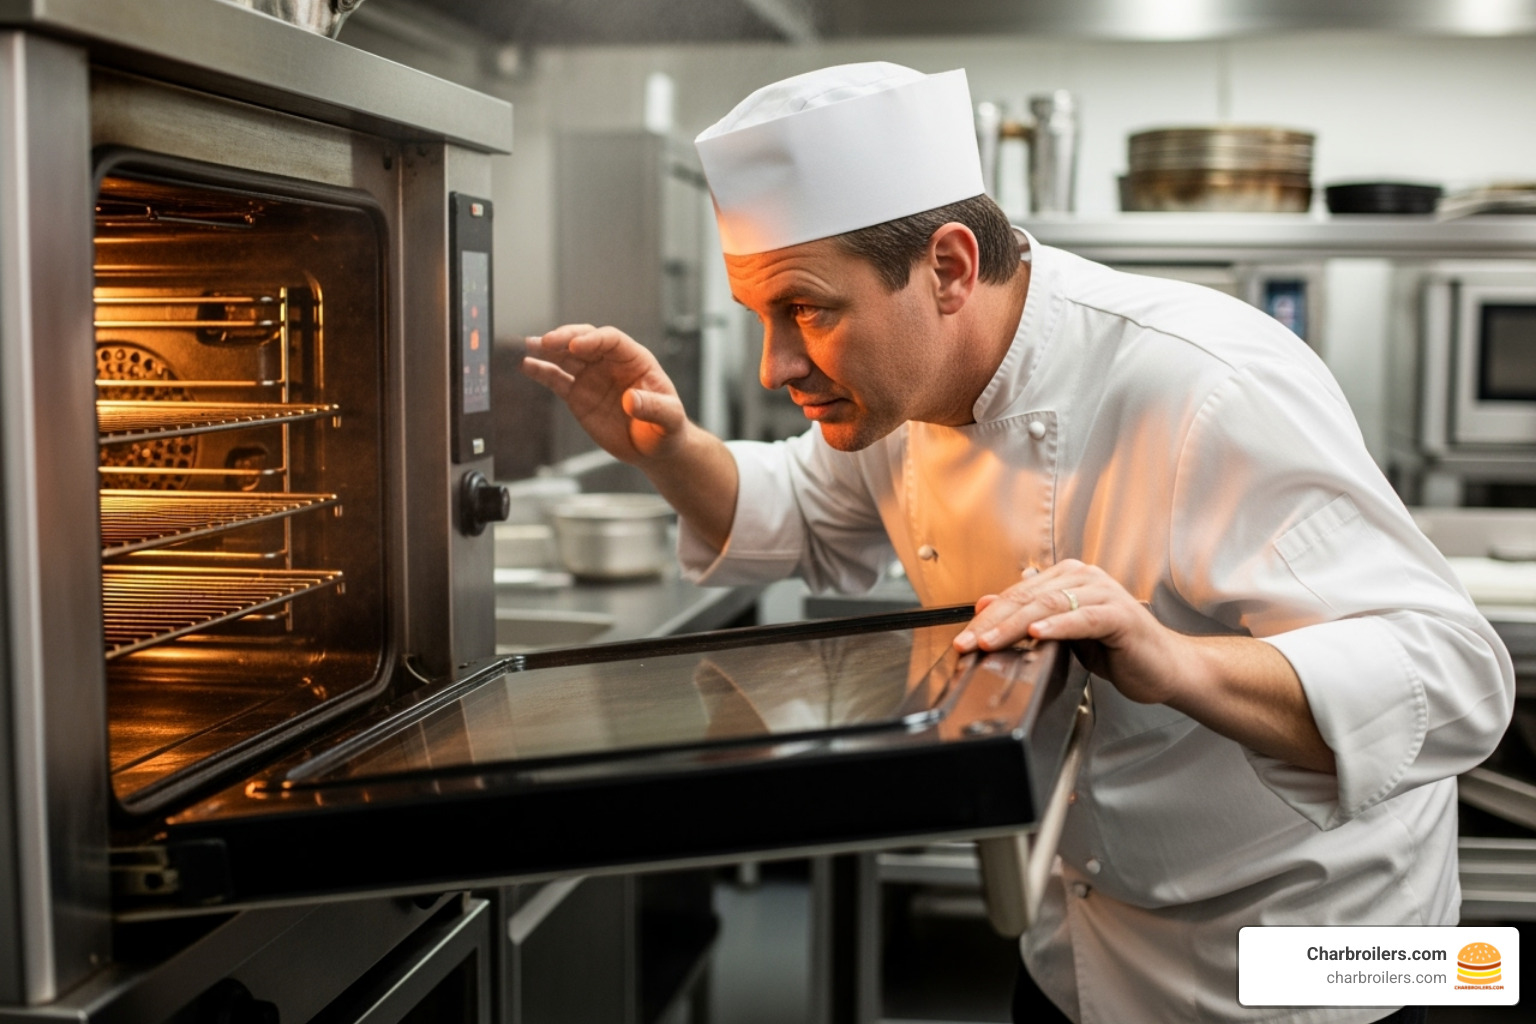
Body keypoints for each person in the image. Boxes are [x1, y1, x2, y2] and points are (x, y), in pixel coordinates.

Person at [521, 62, 1514, 1024]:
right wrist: (669, 447)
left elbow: (1454, 677)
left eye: (807, 309)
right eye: (760, 317)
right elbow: (803, 508)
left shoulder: (1204, 383)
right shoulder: (903, 392)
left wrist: (1173, 660)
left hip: (1296, 953)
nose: (775, 366)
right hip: (1075, 937)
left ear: (949, 268)